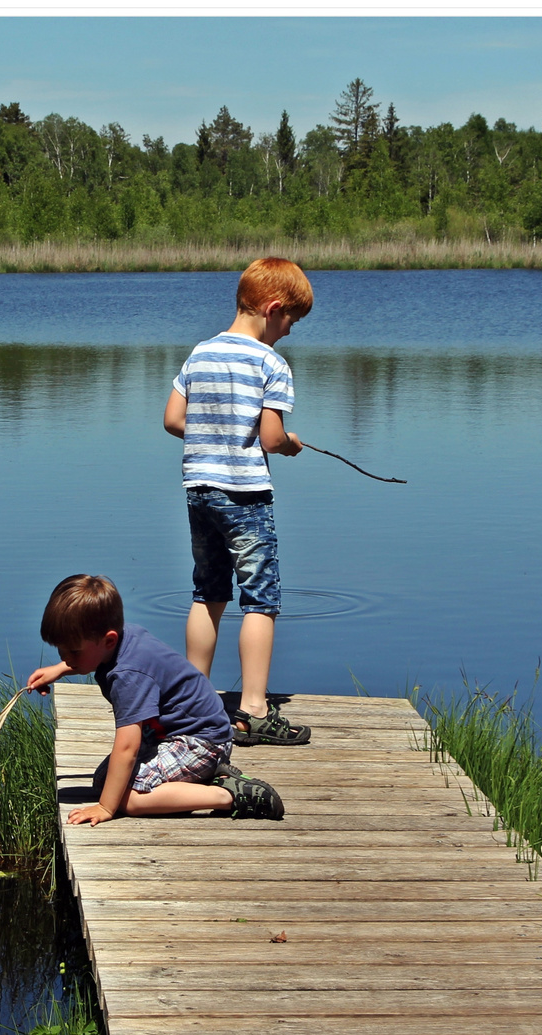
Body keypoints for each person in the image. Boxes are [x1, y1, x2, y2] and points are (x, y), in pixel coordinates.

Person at [162, 257, 314, 747]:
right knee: (260, 600)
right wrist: (289, 442)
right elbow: (270, 438)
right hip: (245, 497)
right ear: (273, 309)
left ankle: (192, 704)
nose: (289, 331)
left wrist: (214, 432)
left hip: (198, 491)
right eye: (290, 319)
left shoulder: (200, 353)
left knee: (207, 593)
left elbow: (172, 419)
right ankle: (253, 710)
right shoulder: (270, 363)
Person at [25, 574, 283, 824]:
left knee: (128, 799)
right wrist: (61, 668)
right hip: (186, 733)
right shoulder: (125, 637)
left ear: (108, 639)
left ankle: (229, 795)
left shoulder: (127, 675)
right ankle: (202, 778)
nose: (65, 657)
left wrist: (105, 808)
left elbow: (127, 747)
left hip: (200, 742)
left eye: (73, 651)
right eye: (60, 650)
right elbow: (94, 656)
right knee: (104, 780)